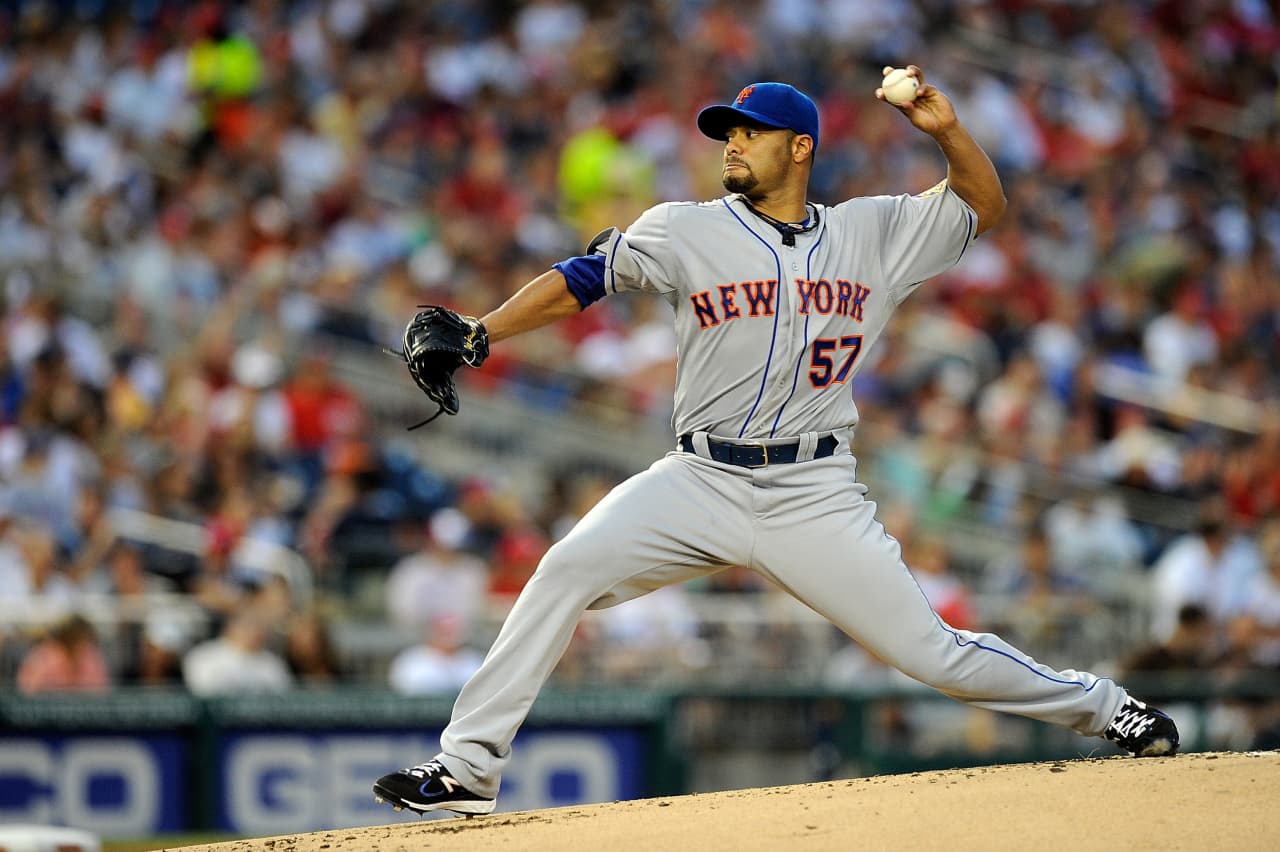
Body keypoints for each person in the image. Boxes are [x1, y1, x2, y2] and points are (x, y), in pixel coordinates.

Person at [374, 70, 1178, 817]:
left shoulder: (876, 231)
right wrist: (482, 333)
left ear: (799, 148)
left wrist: (948, 129)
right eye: (727, 131)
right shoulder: (686, 229)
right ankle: (467, 769)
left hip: (813, 492)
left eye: (749, 132)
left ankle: (1111, 709)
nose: (731, 142)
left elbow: (981, 205)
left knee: (933, 654)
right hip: (699, 477)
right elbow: (585, 278)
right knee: (563, 571)